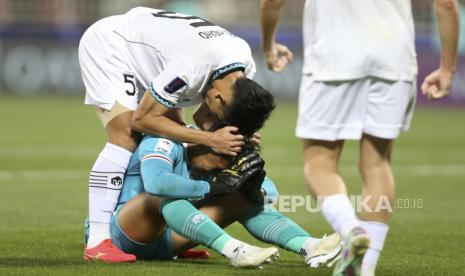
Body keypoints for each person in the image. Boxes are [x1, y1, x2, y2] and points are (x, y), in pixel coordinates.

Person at [260, 0, 459, 275]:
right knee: (377, 163)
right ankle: (365, 268)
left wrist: (268, 45)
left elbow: (273, 2)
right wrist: (447, 68)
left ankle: (350, 230)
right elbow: (446, 5)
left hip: (333, 59)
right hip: (394, 59)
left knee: (319, 162)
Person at [78, 7, 274, 262]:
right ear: (219, 97)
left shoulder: (242, 70)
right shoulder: (191, 68)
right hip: (113, 46)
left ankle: (164, 228)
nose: (216, 120)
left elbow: (201, 118)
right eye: (221, 115)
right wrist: (211, 139)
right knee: (126, 135)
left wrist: (239, 138)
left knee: (174, 131)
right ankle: (98, 240)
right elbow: (144, 119)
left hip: (155, 55)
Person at [97, 131, 342, 268]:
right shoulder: (161, 142)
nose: (224, 167)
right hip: (127, 233)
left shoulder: (218, 150)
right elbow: (156, 184)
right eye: (222, 161)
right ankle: (234, 250)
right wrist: (211, 187)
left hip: (170, 240)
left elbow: (271, 191)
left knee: (243, 199)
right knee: (160, 197)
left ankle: (309, 246)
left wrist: (254, 191)